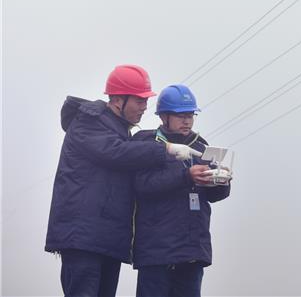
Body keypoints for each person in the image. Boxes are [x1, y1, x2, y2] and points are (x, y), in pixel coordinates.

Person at [45, 65, 201, 297]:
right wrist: (165, 149)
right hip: (83, 236)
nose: (144, 107)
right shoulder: (89, 122)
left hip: (107, 238)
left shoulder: (119, 131)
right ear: (118, 99)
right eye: (139, 101)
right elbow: (116, 152)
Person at [132, 84, 231, 297]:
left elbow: (214, 196)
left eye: (190, 115)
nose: (186, 120)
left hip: (193, 250)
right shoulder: (148, 143)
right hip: (156, 251)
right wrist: (185, 176)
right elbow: (142, 185)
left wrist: (221, 181)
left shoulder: (203, 148)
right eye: (180, 115)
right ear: (164, 116)